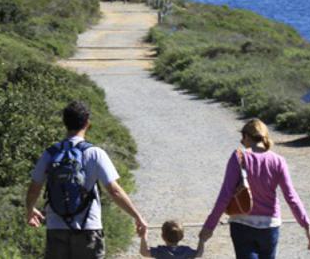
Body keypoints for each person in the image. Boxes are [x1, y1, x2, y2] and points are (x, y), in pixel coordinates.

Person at [26, 101, 147, 259]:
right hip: (88, 228)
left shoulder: (50, 153)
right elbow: (114, 191)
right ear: (87, 122)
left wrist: (29, 210)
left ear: (65, 123)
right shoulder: (95, 153)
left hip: (56, 228)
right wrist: (137, 216)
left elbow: (35, 187)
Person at [199, 119, 310, 259]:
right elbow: (291, 197)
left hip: (242, 224)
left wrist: (209, 226)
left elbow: (225, 195)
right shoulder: (278, 161)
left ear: (247, 136)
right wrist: (307, 227)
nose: (242, 142)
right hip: (270, 225)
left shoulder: (238, 157)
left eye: (242, 137)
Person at [140, 220, 205, 259]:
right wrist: (202, 239)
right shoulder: (185, 251)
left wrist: (143, 235)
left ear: (162, 237)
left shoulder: (161, 251)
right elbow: (199, 253)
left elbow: (144, 252)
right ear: (181, 237)